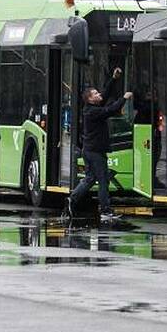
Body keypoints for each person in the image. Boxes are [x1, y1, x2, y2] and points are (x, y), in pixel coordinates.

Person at [67, 67, 132, 222]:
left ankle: (72, 199)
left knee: (90, 179)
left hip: (90, 150)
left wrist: (114, 79)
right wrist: (124, 98)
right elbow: (111, 109)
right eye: (95, 94)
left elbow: (106, 94)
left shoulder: (92, 108)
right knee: (103, 180)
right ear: (90, 99)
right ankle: (105, 210)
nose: (99, 95)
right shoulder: (92, 112)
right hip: (95, 152)